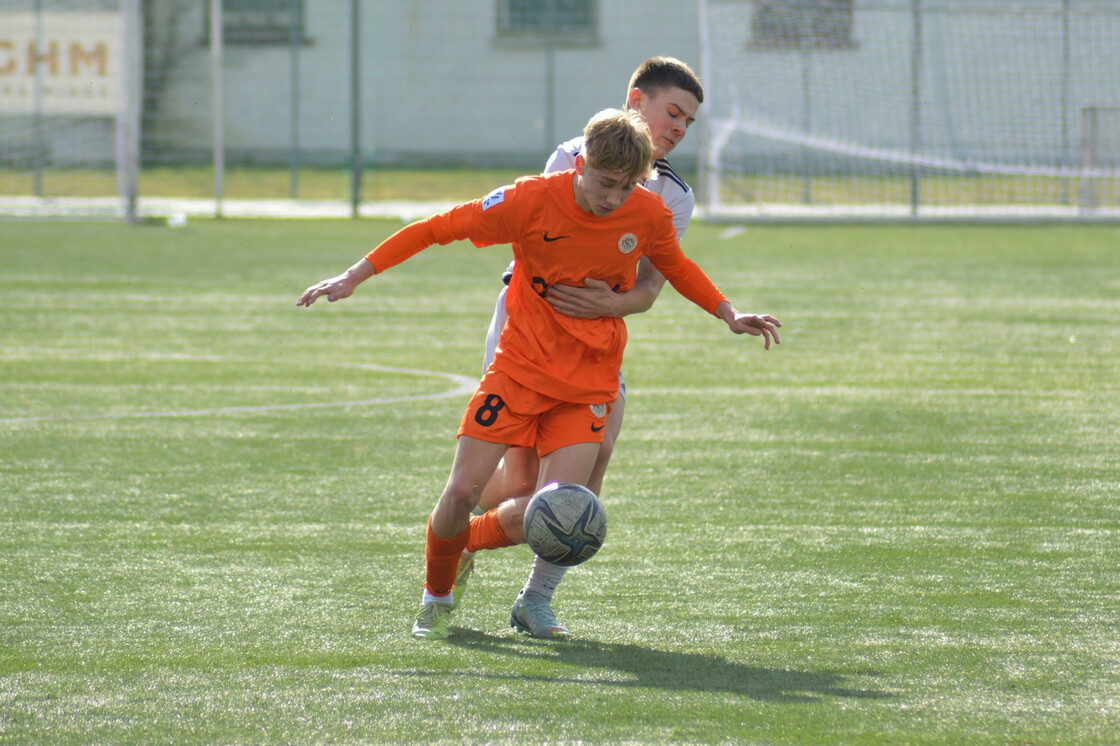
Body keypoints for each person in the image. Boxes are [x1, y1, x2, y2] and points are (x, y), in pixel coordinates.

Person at [297, 108, 780, 641]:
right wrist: (355, 275)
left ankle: (481, 556)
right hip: (518, 373)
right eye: (604, 182)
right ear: (581, 165)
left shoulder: (648, 214)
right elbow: (437, 229)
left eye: (626, 186)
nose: (613, 198)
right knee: (460, 492)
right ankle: (436, 599)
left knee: (563, 507)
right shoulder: (530, 199)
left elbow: (677, 268)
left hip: (587, 385)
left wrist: (728, 312)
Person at [459, 56, 705, 638]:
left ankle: (535, 600)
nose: (678, 128)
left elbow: (647, 290)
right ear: (635, 100)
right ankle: (461, 526)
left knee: (591, 463)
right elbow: (556, 268)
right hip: (532, 335)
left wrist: (612, 305)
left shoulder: (674, 196)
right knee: (523, 487)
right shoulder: (573, 158)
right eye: (672, 112)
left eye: (689, 122)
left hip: (596, 342)